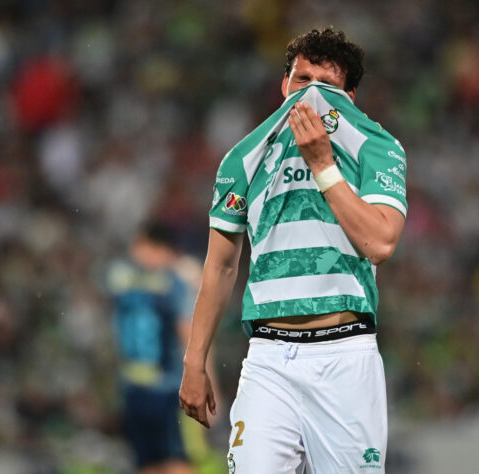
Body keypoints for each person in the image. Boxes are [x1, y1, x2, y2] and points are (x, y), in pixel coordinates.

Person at [179, 27, 407, 473]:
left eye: (328, 85)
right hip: (268, 359)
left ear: (350, 96)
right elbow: (221, 267)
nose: (313, 94)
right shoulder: (244, 157)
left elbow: (380, 242)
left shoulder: (378, 147)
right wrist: (194, 360)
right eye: (304, 80)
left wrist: (323, 165)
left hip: (345, 355)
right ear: (284, 84)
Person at [106, 222, 195, 474]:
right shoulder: (173, 282)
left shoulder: (122, 279)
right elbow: (186, 330)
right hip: (155, 384)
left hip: (152, 385)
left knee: (162, 460)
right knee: (163, 459)